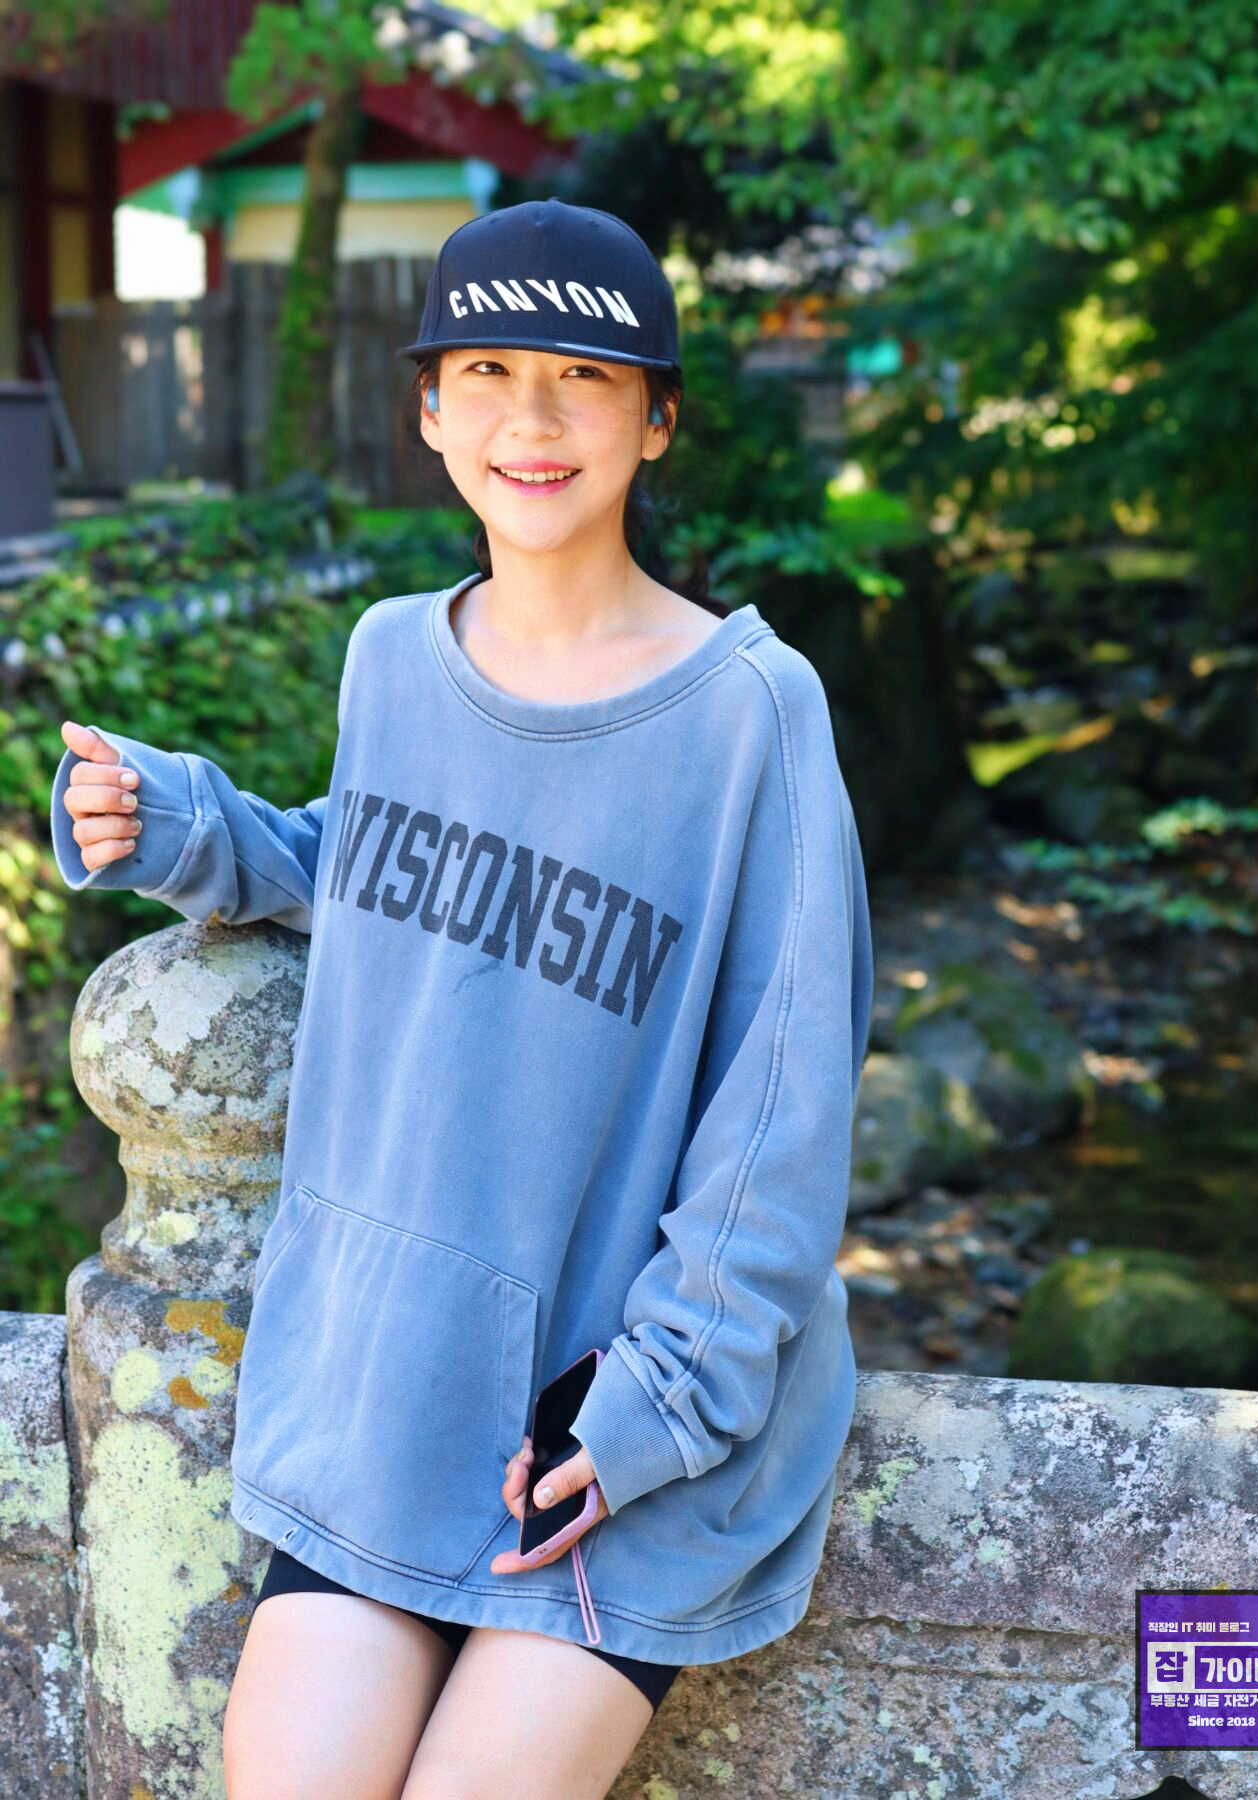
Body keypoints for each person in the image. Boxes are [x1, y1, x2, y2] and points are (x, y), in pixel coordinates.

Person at [49, 197, 874, 1800]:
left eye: (584, 376)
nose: (531, 419)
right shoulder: (388, 657)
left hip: (616, 1425)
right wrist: (189, 827)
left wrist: (646, 1411)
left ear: (657, 419)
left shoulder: (753, 712)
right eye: (487, 371)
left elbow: (782, 1113)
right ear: (429, 410)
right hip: (397, 1380)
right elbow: (384, 863)